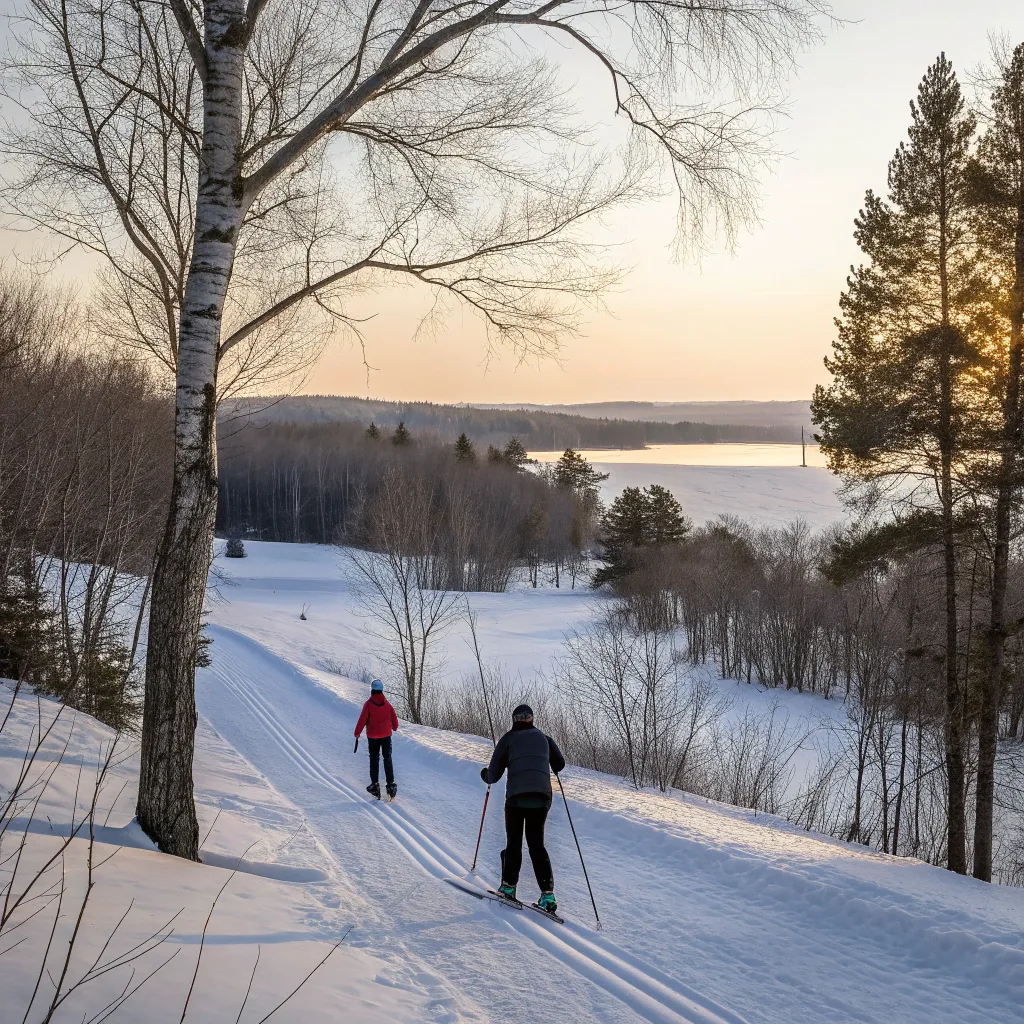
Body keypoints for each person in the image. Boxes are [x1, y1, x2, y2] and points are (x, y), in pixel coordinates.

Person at [480, 703, 565, 913]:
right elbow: (560, 764)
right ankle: (548, 895)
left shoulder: (508, 739)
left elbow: (493, 775)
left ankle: (509, 887)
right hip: (542, 798)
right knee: (537, 845)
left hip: (516, 799)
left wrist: (485, 775)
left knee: (514, 842)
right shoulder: (545, 739)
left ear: (514, 719)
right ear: (531, 719)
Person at [355, 679, 399, 799]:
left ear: (372, 691)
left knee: (374, 759)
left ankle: (375, 785)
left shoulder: (368, 704)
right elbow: (395, 722)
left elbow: (362, 720)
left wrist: (357, 733)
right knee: (387, 758)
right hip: (386, 736)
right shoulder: (387, 704)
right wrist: (394, 727)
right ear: (381, 690)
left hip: (373, 737)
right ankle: (391, 785)